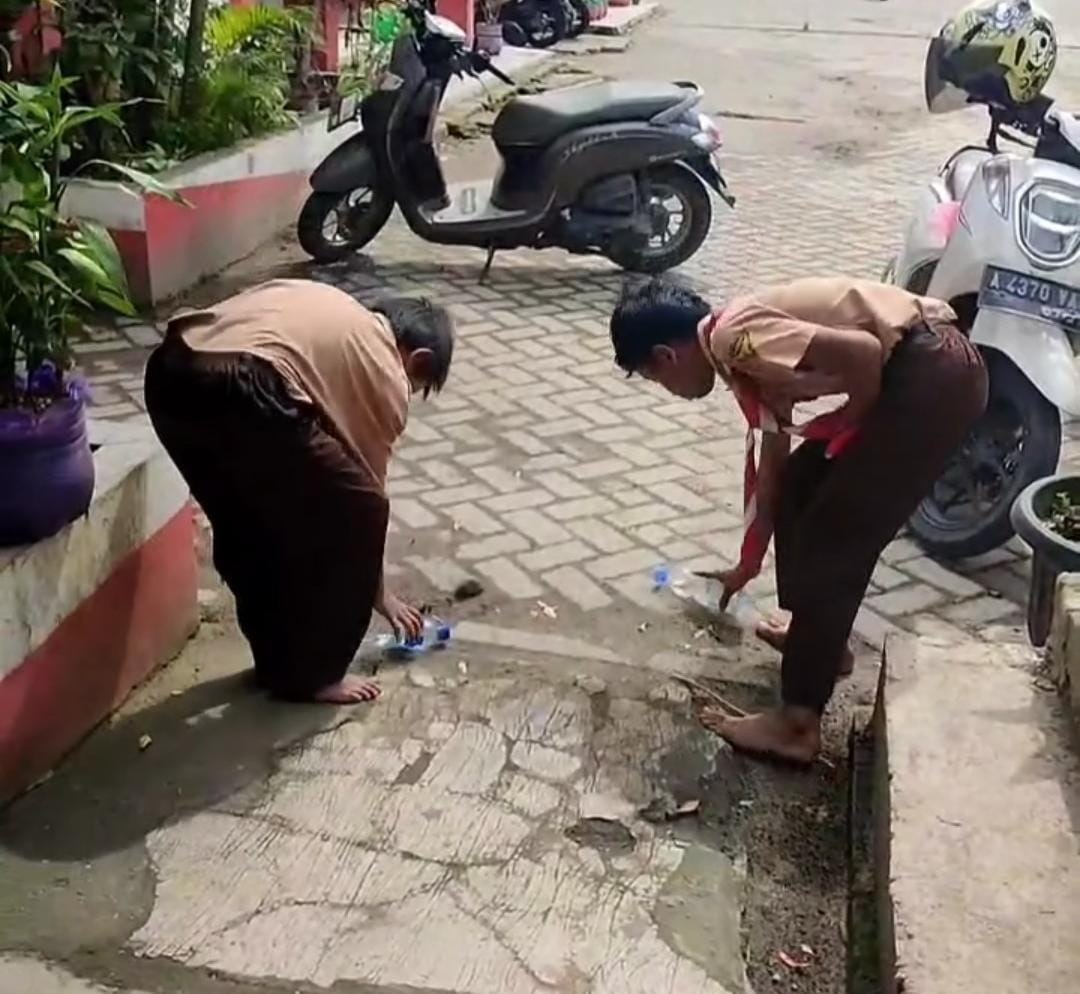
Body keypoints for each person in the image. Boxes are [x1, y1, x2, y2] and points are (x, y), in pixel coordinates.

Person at [610, 276, 987, 763]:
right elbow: (772, 472)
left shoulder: (733, 338)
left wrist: (853, 426)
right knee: (802, 483)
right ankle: (817, 642)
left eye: (656, 379)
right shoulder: (741, 354)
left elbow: (864, 355)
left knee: (837, 534)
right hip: (930, 370)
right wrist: (746, 565)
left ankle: (797, 723)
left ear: (666, 356)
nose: (670, 390)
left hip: (933, 371)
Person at [144, 279, 453, 704]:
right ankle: (317, 674)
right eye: (418, 386)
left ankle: (277, 663)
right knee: (360, 511)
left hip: (170, 374)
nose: (409, 393)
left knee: (245, 523)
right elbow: (364, 493)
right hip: (244, 385)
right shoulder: (384, 367)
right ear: (418, 359)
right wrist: (378, 594)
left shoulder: (328, 303)